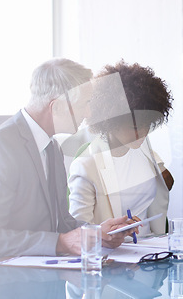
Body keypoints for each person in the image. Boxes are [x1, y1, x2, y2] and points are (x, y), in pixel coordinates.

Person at [0, 58, 133, 262]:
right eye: (84, 104)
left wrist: (96, 232)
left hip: (31, 271)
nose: (88, 113)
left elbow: (61, 223)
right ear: (56, 107)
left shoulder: (51, 147)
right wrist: (61, 243)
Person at [68, 61, 174, 236]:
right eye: (134, 127)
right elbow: (79, 231)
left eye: (147, 125)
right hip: (115, 255)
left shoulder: (143, 148)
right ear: (110, 122)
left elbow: (165, 181)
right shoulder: (86, 166)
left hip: (154, 249)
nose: (143, 133)